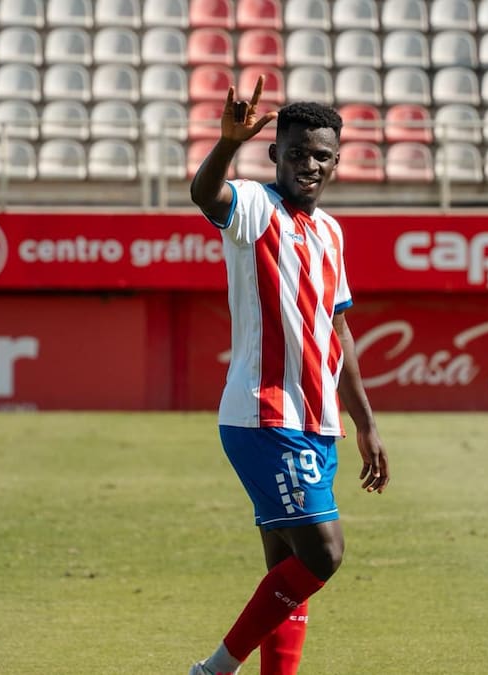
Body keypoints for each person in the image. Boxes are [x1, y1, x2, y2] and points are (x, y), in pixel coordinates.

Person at [187, 78, 390, 675]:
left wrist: (367, 425)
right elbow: (205, 194)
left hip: (318, 421)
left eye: (321, 155)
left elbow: (340, 334)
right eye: (296, 152)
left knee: (287, 572)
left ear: (335, 161)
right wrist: (227, 145)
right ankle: (215, 669)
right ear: (275, 153)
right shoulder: (252, 206)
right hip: (264, 412)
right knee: (324, 555)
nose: (309, 165)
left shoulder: (331, 233)